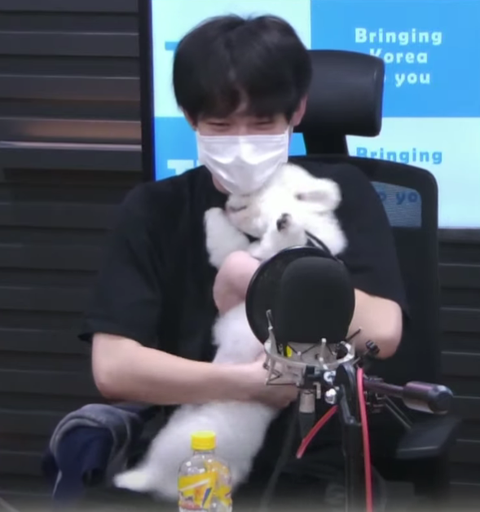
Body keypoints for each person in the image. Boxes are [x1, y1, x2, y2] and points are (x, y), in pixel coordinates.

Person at [79, 14, 406, 510]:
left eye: (261, 124)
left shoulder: (338, 195)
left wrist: (260, 276)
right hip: (192, 452)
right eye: (220, 125)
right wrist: (247, 385)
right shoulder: (153, 210)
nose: (242, 143)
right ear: (190, 118)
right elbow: (114, 368)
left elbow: (383, 332)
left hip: (312, 463)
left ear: (297, 111)